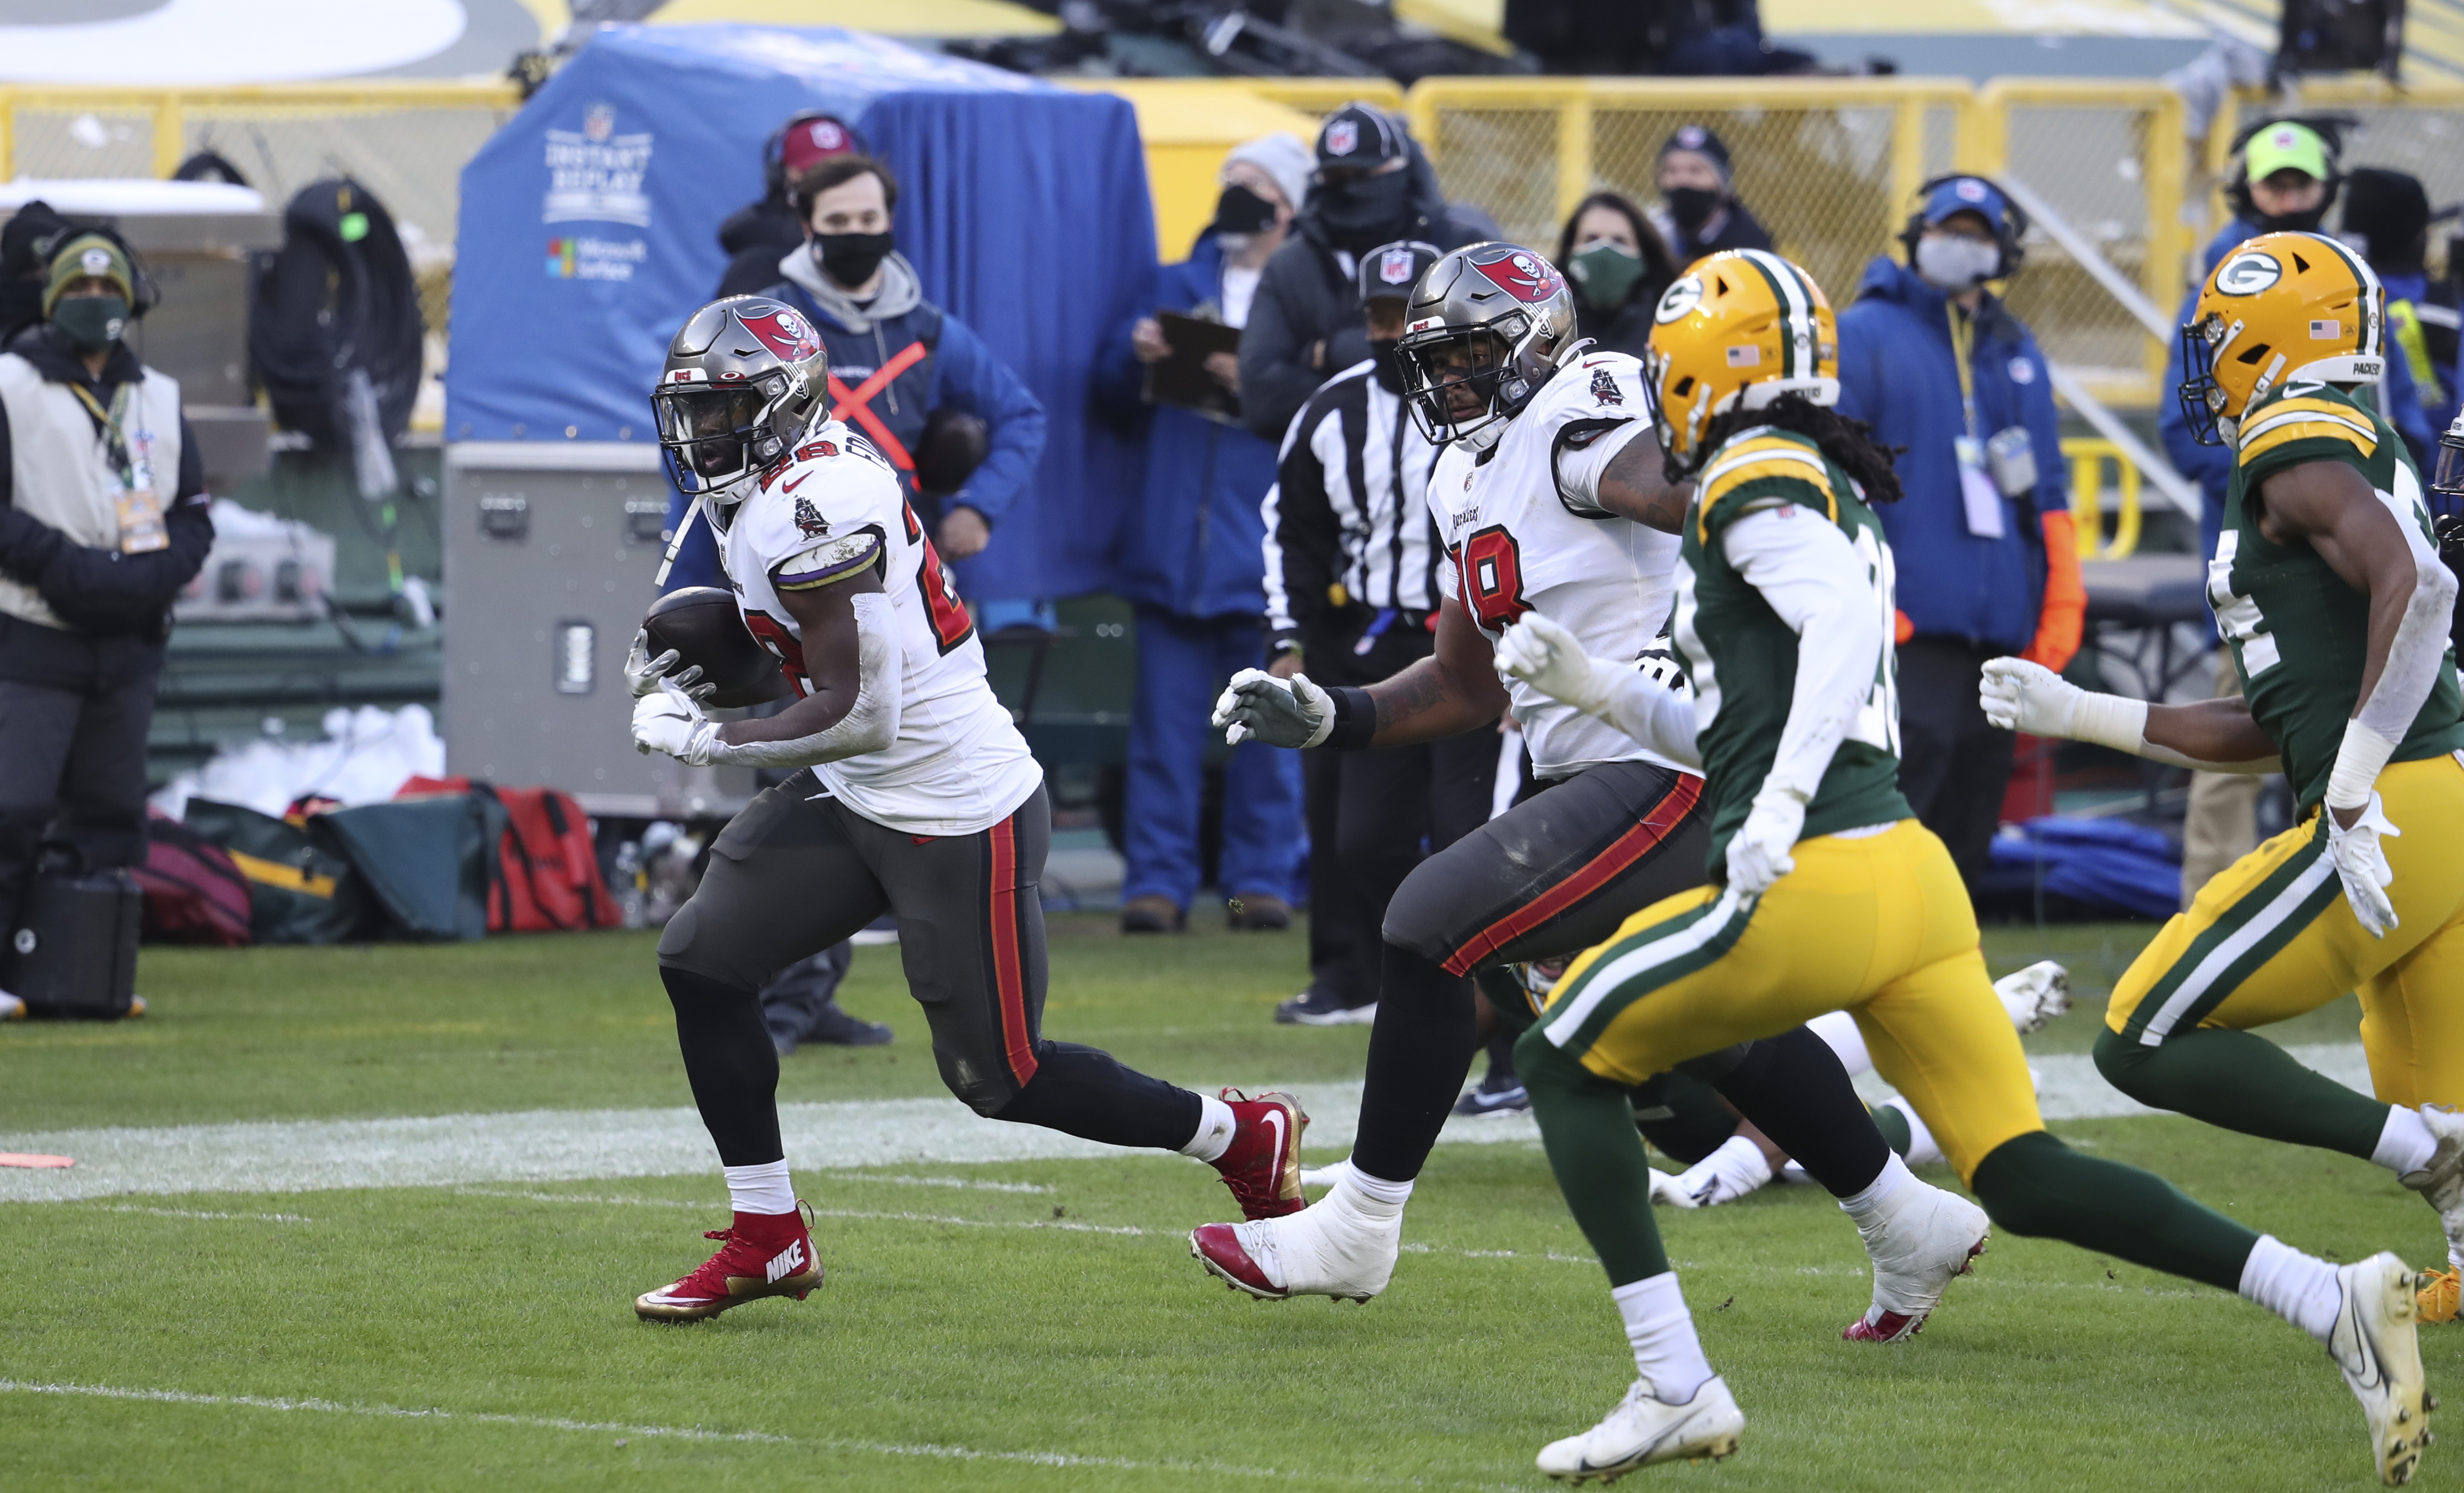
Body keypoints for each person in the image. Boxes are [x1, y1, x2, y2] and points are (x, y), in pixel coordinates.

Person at [1486, 248, 2435, 1484]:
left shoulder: (1753, 473)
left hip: (1822, 875)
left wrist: (1773, 812)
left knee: (1558, 1054)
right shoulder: (1799, 473)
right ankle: (2332, 1299)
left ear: (1691, 374)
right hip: (1909, 884)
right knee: (2025, 1175)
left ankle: (1674, 1380)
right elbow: (1751, 715)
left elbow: (1832, 629)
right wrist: (1597, 688)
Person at [1196, 245, 1993, 1348]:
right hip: (1590, 771)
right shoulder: (1463, 472)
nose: (1454, 379)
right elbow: (1466, 684)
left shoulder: (1584, 410)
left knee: (1427, 922)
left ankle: (1358, 1225)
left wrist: (1778, 516)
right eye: (1436, 358)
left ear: (1536, 339)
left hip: (1669, 760)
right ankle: (1907, 1215)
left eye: (1475, 351)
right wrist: (1335, 713)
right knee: (1705, 1033)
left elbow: (1671, 487)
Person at [623, 296, 1308, 1321]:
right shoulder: (762, 486)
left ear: (781, 403)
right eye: (693, 410)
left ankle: (1235, 1133)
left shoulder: (818, 502)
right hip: (858, 789)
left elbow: (862, 708)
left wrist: (714, 735)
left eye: (723, 409)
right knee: (703, 961)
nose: (702, 433)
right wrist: (689, 674)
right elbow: (765, 641)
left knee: (1003, 1078)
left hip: (951, 802)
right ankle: (768, 1233)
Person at [1983, 230, 2464, 1329]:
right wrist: (2083, 712)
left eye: (2221, 339)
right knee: (2432, 1072)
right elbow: (2274, 716)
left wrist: (2349, 785)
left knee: (2142, 1030)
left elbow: (2421, 588)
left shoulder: (2293, 435)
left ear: (2273, 336)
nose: (2207, 365)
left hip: (2395, 804)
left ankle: (2421, 1156)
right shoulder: (2341, 442)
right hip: (2433, 799)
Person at [2161, 120, 2435, 905]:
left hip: (2360, 542)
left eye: (2299, 181)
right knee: (2274, 712)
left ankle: (2350, 869)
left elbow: (2404, 415)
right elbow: (2182, 431)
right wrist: (2279, 491)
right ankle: (2223, 896)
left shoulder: (2346, 294)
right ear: (2246, 184)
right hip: (2312, 543)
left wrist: (2296, 470)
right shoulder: (2245, 283)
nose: (2286, 195)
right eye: (2273, 181)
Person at [1259, 239, 1491, 1023]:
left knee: (1472, 834)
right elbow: (1290, 529)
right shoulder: (1331, 410)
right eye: (1378, 316)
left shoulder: (1493, 401)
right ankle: (1395, 973)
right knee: (1359, 837)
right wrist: (1287, 635)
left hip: (1485, 645)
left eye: (1408, 314)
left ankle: (1492, 1022)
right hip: (1377, 642)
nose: (1393, 333)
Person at [1092, 137, 1313, 934]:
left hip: (1261, 552)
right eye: (1230, 183)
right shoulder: (1172, 283)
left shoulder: (1307, 293)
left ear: (1289, 205)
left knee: (1269, 727)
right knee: (1162, 732)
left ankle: (1261, 878)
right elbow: (1107, 388)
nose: (1235, 197)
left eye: (1253, 186)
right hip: (1169, 550)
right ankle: (1156, 883)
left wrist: (1254, 380)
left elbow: (1325, 406)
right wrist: (1134, 351)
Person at [1835, 176, 2082, 886]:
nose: (1959, 245)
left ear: (2001, 251)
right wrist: (1873, 602)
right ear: (1918, 236)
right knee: (1892, 831)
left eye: (1977, 234)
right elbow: (1833, 478)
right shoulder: (1863, 334)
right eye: (1949, 230)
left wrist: (2056, 603)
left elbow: (2045, 492)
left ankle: (1946, 984)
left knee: (1965, 837)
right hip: (1906, 630)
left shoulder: (2014, 347)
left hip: (1997, 632)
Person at [660, 149, 1045, 593]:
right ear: (808, 227)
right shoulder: (755, 324)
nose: (855, 232)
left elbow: (1022, 418)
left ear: (889, 222)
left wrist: (977, 508)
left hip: (893, 563)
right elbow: (690, 444)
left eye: (868, 219)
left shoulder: (932, 332)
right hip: (771, 561)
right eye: (838, 221)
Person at [0, 231, 214, 1022]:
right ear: (54, 300)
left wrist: (154, 577)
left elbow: (191, 512)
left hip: (129, 637)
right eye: (81, 289)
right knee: (14, 807)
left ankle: (85, 971)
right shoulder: (12, 384)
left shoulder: (156, 392)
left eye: (110, 288)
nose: (98, 302)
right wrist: (58, 564)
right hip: (36, 630)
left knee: (112, 812)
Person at [1236, 103, 1481, 445]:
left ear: (1401, 168)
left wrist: (1335, 351)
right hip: (1330, 473)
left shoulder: (1460, 249)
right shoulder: (1292, 264)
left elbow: (1485, 371)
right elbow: (1263, 399)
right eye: (1337, 178)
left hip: (1448, 468)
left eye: (1364, 176)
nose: (1349, 190)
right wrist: (1390, 387)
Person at [712, 111, 867, 300]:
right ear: (783, 176)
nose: (830, 185)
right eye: (815, 173)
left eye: (842, 176)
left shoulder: (865, 250)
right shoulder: (760, 264)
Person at [1556, 192, 1681, 360]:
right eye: (1591, 239)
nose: (1605, 250)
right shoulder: (1546, 323)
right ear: (1570, 250)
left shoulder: (1674, 321)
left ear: (1644, 252)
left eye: (1620, 241)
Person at [1648, 126, 1772, 269]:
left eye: (1696, 171)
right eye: (1671, 171)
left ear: (1722, 184)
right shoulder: (1651, 234)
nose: (1682, 181)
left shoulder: (1750, 244)